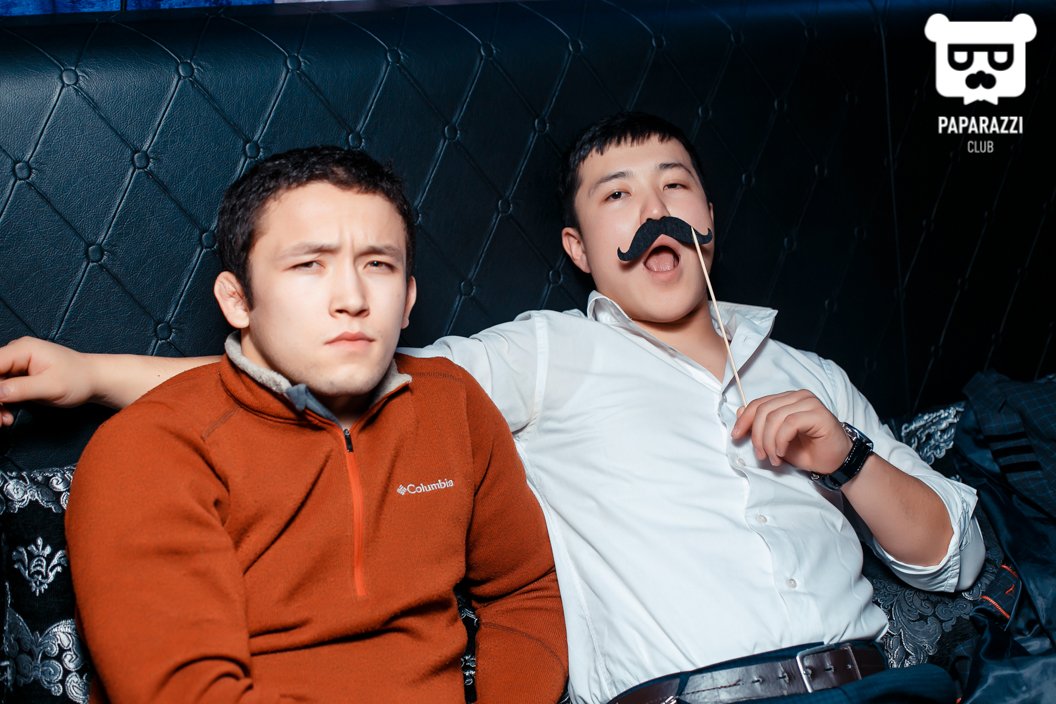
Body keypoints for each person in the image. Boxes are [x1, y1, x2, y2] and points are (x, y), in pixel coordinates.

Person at [0, 114, 983, 704]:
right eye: (617, 195)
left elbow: (957, 561)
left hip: (887, 682)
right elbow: (325, 366)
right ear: (578, 248)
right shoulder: (543, 355)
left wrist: (848, 456)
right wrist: (93, 373)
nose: (655, 209)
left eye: (676, 184)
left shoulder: (812, 372)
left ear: (710, 221)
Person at [47, 146, 567, 703]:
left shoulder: (453, 404)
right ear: (238, 300)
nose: (352, 299)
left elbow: (526, 590)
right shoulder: (150, 447)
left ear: (408, 300)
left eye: (378, 264)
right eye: (309, 264)